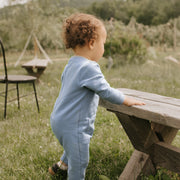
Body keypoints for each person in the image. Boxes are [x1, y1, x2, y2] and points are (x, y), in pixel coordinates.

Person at [49, 13, 145, 180]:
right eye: (103, 44)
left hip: (59, 120)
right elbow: (106, 91)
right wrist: (126, 100)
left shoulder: (71, 63)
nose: (104, 48)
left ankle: (61, 165)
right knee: (80, 159)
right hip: (74, 126)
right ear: (92, 43)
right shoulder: (89, 67)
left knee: (72, 146)